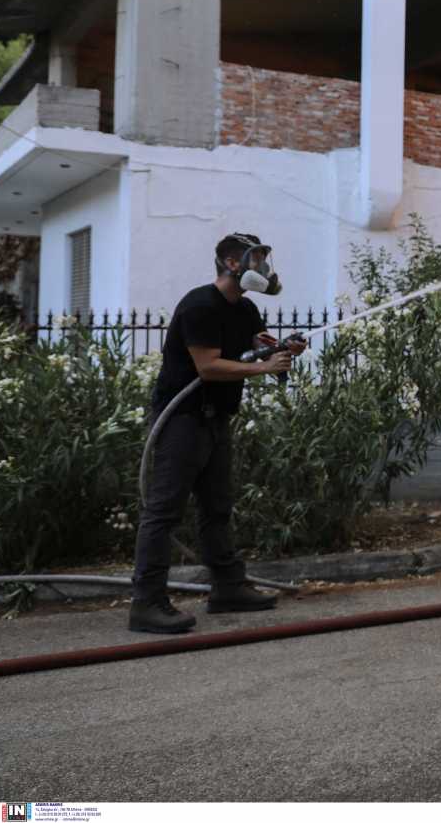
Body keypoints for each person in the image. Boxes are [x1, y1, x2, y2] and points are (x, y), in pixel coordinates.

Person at [127, 233, 306, 634]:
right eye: (256, 259)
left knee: (217, 507)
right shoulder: (199, 305)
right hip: (182, 418)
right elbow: (208, 366)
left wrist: (285, 348)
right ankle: (147, 602)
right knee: (163, 512)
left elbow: (259, 343)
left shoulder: (243, 309)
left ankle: (227, 588)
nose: (263, 267)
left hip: (215, 419)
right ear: (231, 263)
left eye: (263, 259)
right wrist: (264, 368)